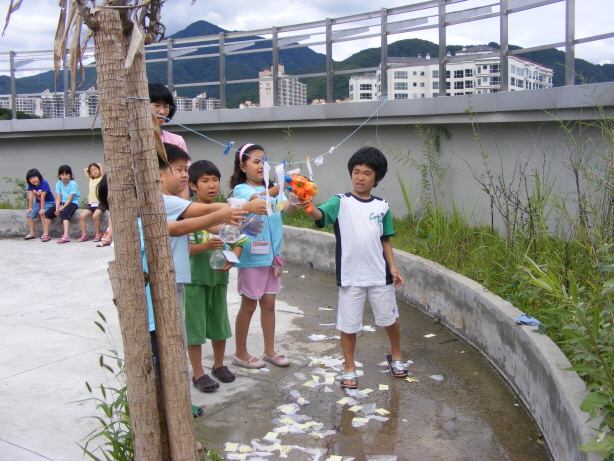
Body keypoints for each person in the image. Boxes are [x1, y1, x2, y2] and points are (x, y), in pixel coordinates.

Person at [302, 146, 406, 389]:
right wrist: (308, 206)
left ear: (377, 178)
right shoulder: (340, 202)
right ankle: (349, 367)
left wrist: (392, 267)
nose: (360, 177)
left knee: (389, 318)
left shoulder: (382, 206)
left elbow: (385, 239)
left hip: (380, 275)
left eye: (367, 173)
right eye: (356, 171)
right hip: (350, 276)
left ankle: (396, 353)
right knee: (348, 324)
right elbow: (320, 215)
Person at [229, 143, 299, 369]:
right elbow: (259, 199)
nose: (262, 166)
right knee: (249, 305)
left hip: (272, 258)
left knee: (269, 304)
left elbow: (286, 209)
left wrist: (297, 198)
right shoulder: (242, 189)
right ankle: (240, 353)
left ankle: (270, 350)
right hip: (251, 258)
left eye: (265, 161)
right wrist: (282, 184)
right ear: (243, 166)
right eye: (256, 161)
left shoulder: (272, 189)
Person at [184, 160, 248, 392]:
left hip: (218, 281)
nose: (211, 185)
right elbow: (180, 248)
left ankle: (219, 365)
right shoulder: (186, 214)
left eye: (215, 180)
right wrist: (204, 247)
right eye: (205, 181)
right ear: (193, 185)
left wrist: (232, 260)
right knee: (194, 328)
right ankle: (198, 373)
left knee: (219, 325)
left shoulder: (225, 214)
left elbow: (239, 241)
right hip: (194, 281)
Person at [44, 165, 80, 243]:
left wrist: (61, 209)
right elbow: (58, 198)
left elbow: (70, 200)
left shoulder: (73, 184)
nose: (64, 177)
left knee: (65, 214)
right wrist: (57, 208)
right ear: (59, 175)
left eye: (66, 174)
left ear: (70, 175)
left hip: (73, 202)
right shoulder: (58, 184)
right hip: (62, 202)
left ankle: (66, 235)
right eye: (62, 175)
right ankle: (46, 234)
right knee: (48, 213)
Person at [24, 168, 55, 241]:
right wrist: (30, 208)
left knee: (42, 214)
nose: (33, 180)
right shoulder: (31, 185)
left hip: (49, 202)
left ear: (38, 176)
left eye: (34, 177)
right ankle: (32, 233)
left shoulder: (44, 183)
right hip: (38, 202)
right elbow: (30, 196)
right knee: (29, 215)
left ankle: (45, 234)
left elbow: (43, 197)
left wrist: (42, 208)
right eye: (31, 179)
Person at [78, 163, 106, 242]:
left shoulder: (102, 179)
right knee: (81, 216)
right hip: (91, 204)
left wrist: (96, 166)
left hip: (100, 203)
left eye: (96, 169)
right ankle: (84, 235)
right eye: (92, 171)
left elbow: (100, 165)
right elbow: (84, 170)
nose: (94, 171)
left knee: (95, 216)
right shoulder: (90, 180)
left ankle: (98, 234)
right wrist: (91, 168)